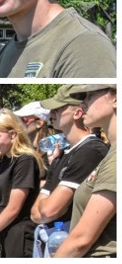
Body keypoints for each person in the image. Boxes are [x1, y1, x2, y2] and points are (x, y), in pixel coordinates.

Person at [30, 85, 108, 226]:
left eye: (57, 109)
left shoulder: (90, 151)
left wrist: (45, 206)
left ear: (77, 113)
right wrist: (45, 208)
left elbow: (48, 211)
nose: (51, 114)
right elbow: (35, 214)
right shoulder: (61, 154)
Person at [55, 84, 116, 257]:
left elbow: (81, 240)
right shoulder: (112, 152)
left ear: (116, 98)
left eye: (90, 96)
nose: (83, 105)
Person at [0, 109, 44, 257]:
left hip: (20, 232)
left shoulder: (24, 160)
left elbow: (14, 208)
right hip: (2, 230)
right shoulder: (1, 160)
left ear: (13, 134)